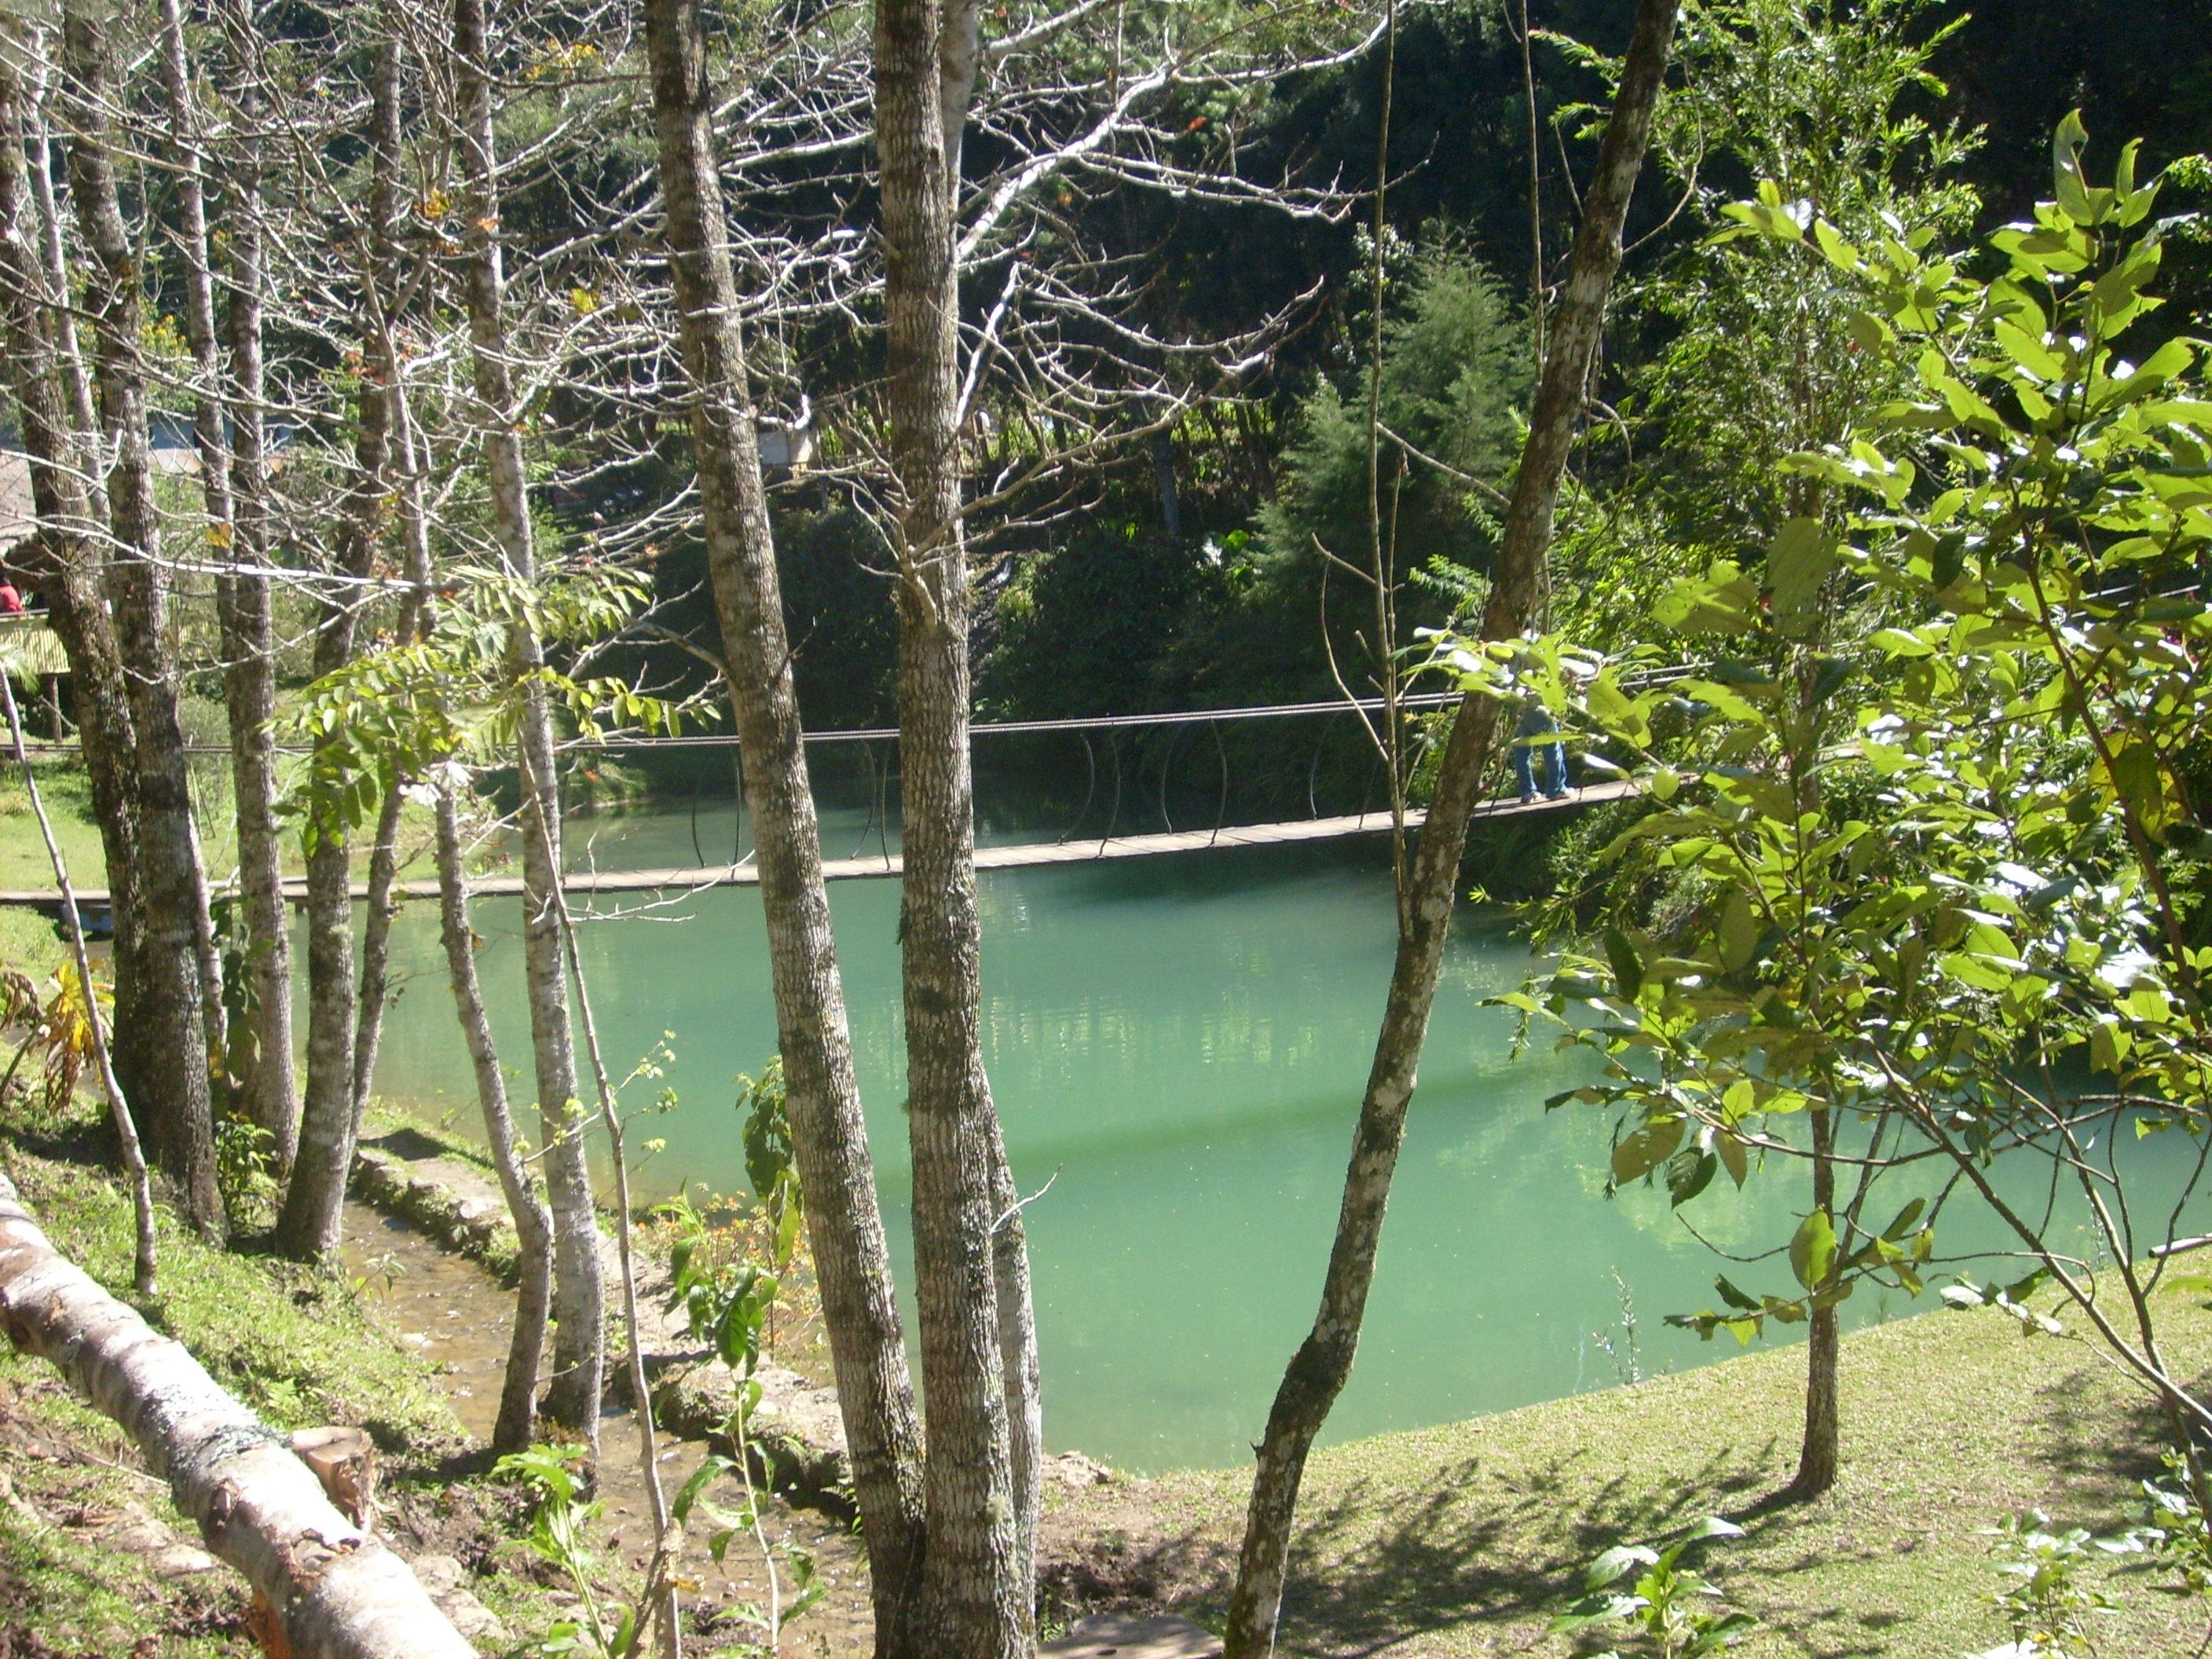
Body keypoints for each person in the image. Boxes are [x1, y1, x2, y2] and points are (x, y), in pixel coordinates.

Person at [1514, 698, 1570, 803]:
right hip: (1539, 709)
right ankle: (1556, 789)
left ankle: (1528, 793)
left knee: (1521, 753)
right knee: (1553, 750)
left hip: (1519, 711)